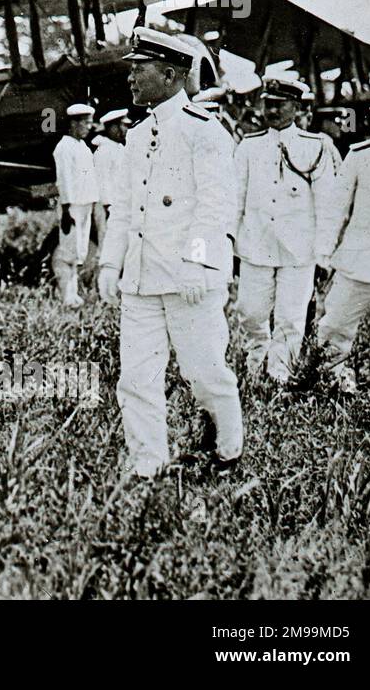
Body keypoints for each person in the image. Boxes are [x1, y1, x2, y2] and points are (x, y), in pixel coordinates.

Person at [98, 27, 243, 478]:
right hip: (142, 280)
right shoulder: (138, 136)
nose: (131, 79)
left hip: (188, 280)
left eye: (139, 70)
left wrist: (198, 262)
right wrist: (109, 262)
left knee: (205, 373)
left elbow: (216, 205)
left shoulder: (205, 132)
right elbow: (123, 207)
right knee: (136, 377)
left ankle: (227, 451)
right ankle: (147, 462)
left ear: (169, 74)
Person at [232, 74, 338, 383]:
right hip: (256, 246)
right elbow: (235, 199)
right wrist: (229, 242)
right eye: (269, 105)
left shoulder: (314, 147)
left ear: (295, 107)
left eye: (280, 106)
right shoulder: (248, 148)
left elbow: (326, 207)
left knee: (291, 317)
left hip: (299, 250)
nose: (273, 112)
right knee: (250, 312)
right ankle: (256, 361)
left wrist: (323, 254)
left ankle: (280, 375)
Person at [315, 84, 370, 394]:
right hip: (358, 256)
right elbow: (336, 209)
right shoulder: (359, 155)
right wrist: (323, 254)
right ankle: (334, 380)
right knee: (336, 322)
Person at [52, 103, 98, 307]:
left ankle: (73, 293)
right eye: (86, 123)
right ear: (74, 123)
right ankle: (66, 295)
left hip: (84, 204)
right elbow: (64, 180)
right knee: (67, 253)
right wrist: (65, 209)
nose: (89, 127)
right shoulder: (64, 147)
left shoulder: (82, 147)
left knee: (79, 252)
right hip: (72, 207)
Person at [91, 108, 128, 263]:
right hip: (107, 206)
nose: (125, 129)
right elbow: (102, 181)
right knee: (106, 244)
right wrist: (108, 206)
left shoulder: (118, 148)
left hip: (119, 204)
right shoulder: (103, 151)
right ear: (113, 128)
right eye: (122, 126)